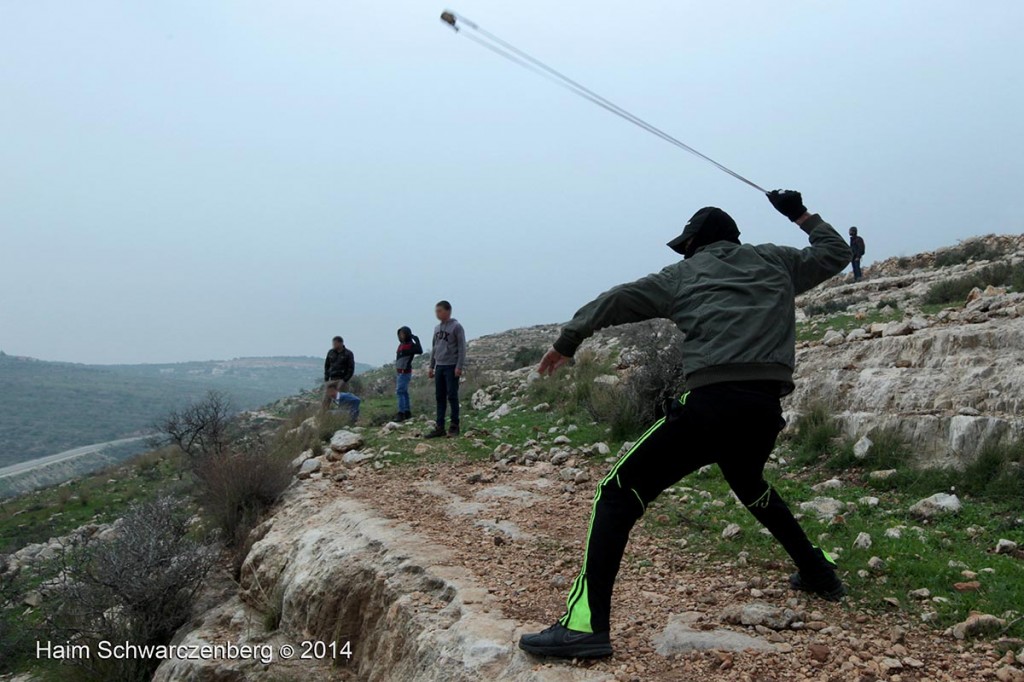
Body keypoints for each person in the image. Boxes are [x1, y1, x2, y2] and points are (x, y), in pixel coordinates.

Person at [518, 190, 852, 660]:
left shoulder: (684, 274)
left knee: (617, 494)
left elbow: (616, 299)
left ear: (695, 244)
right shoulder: (777, 261)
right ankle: (817, 573)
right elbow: (839, 253)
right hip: (764, 409)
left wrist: (569, 340)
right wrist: (799, 214)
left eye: (686, 245)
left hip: (711, 404)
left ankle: (585, 626)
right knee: (749, 482)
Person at [425, 300, 467, 438]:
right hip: (440, 366)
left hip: (451, 365)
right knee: (440, 396)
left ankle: (454, 426)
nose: (437, 314)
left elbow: (461, 348)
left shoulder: (456, 327)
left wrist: (459, 366)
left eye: (440, 311)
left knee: (452, 395)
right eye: (436, 311)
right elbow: (434, 348)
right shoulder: (436, 329)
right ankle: (440, 426)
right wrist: (431, 366)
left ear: (447, 311)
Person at [394, 326, 424, 421]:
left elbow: (419, 351)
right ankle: (407, 412)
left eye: (403, 334)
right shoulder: (401, 345)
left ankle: (401, 413)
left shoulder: (411, 345)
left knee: (400, 392)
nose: (401, 336)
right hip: (400, 372)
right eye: (400, 334)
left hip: (404, 372)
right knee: (404, 392)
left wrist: (416, 340)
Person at [323, 336, 355, 410]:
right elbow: (327, 366)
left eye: (335, 344)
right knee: (326, 399)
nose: (333, 345)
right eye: (333, 344)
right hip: (331, 379)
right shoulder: (330, 352)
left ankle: (342, 416)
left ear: (340, 343)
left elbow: (351, 369)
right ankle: (323, 415)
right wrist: (326, 379)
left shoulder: (348, 354)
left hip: (342, 380)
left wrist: (344, 380)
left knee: (342, 399)